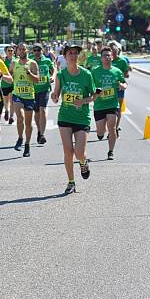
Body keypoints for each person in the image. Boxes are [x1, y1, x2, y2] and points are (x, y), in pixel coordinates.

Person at [51, 44, 97, 194]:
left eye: (75, 53)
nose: (73, 56)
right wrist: (54, 96)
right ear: (65, 56)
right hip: (65, 116)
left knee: (79, 152)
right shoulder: (61, 74)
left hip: (82, 118)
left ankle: (83, 163)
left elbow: (94, 95)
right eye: (70, 53)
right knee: (68, 152)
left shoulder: (86, 74)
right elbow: (56, 94)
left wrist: (83, 101)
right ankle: (71, 182)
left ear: (78, 56)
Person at [90, 46, 127, 161]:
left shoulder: (117, 71)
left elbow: (124, 83)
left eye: (108, 55)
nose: (107, 57)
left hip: (112, 104)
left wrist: (122, 86)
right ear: (101, 58)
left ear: (112, 57)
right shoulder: (95, 71)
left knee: (112, 127)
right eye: (104, 56)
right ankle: (101, 133)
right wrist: (95, 92)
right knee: (100, 132)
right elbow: (90, 86)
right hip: (99, 105)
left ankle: (110, 151)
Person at [10, 42, 40, 157]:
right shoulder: (14, 63)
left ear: (28, 51)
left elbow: (37, 80)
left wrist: (29, 72)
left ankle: (27, 144)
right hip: (17, 94)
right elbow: (10, 77)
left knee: (28, 122)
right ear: (17, 51)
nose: (22, 51)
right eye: (20, 50)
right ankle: (20, 138)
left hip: (29, 96)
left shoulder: (33, 64)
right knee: (20, 117)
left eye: (24, 49)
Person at [31, 42, 55, 145]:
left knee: (43, 110)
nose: (37, 52)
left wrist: (52, 77)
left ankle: (42, 134)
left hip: (45, 88)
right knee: (36, 113)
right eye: (35, 50)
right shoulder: (30, 61)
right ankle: (39, 130)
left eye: (39, 50)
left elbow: (53, 70)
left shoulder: (47, 60)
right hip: (33, 89)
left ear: (42, 51)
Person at [108, 41, 130, 136]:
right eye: (112, 51)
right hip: (109, 87)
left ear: (118, 51)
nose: (113, 53)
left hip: (119, 87)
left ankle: (116, 128)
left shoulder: (122, 61)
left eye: (115, 51)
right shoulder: (107, 60)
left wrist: (121, 75)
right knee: (110, 109)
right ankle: (110, 128)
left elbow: (127, 74)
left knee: (118, 108)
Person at [1, 45, 16, 124]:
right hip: (5, 83)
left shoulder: (16, 60)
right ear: (6, 52)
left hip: (13, 83)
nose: (10, 52)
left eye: (11, 50)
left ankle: (11, 117)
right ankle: (6, 110)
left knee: (12, 100)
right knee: (6, 100)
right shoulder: (3, 61)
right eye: (9, 51)